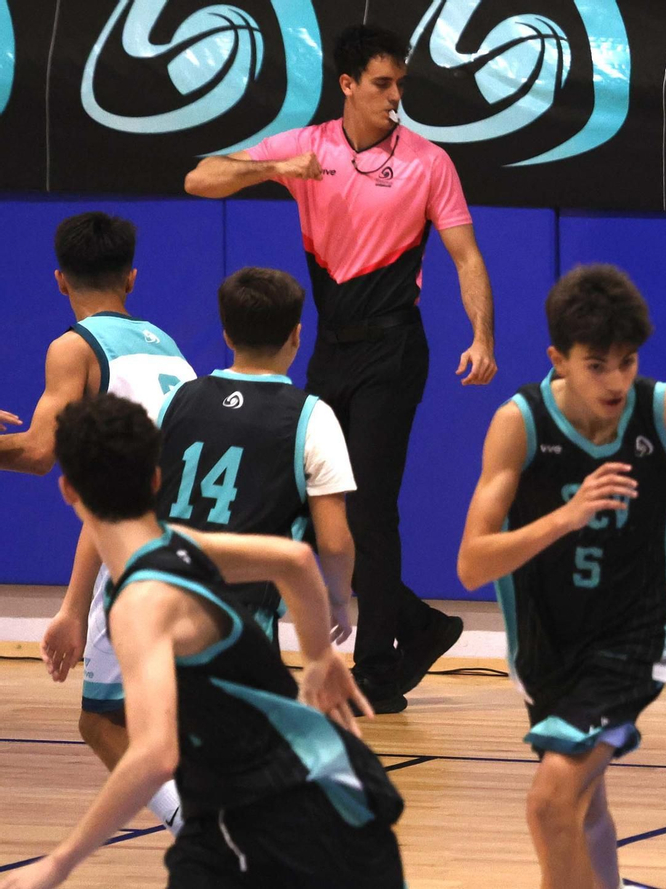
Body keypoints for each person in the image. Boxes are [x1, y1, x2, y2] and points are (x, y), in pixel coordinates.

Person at [184, 24, 496, 712]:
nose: (394, 97)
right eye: (382, 84)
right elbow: (199, 177)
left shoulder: (427, 161)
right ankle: (418, 624)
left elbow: (466, 256)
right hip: (331, 348)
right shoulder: (308, 146)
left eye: (400, 85)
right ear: (348, 85)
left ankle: (378, 669)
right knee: (321, 503)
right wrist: (273, 169)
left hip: (395, 347)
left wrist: (481, 335)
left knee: (372, 506)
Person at [457, 265, 666, 888]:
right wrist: (568, 515)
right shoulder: (519, 424)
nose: (616, 381)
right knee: (585, 805)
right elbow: (473, 564)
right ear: (559, 359)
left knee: (549, 803)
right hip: (549, 637)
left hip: (642, 629)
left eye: (628, 362)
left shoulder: (665, 413)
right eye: (597, 365)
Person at [0, 394, 403, 889]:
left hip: (291, 821)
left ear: (67, 491)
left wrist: (59, 862)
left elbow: (154, 755)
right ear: (155, 479)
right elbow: (293, 560)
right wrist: (319, 656)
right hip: (297, 796)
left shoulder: (140, 604)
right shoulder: (181, 544)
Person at [0, 211, 196, 831]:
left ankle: (205, 838)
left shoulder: (74, 347)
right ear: (132, 278)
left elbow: (37, 452)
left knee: (103, 722)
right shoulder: (165, 342)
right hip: (203, 540)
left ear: (60, 280)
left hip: (143, 552)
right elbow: (105, 485)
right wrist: (72, 606)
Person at [155, 267, 357, 647]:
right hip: (240, 614)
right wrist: (337, 600)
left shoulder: (174, 400)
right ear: (297, 335)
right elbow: (333, 542)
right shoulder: (311, 416)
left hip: (156, 602)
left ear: (227, 334)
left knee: (161, 707)